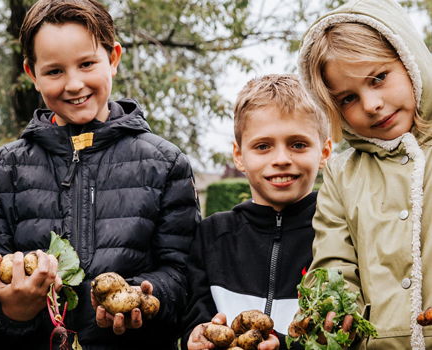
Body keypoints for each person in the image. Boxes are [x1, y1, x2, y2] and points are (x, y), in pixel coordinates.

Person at [0, 0, 200, 348]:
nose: (74, 85)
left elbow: (183, 276)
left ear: (114, 59)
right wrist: (15, 309)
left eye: (87, 64)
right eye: (55, 71)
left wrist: (147, 298)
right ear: (33, 74)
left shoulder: (165, 164)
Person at [297, 0, 432, 348]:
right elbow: (333, 261)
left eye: (379, 78)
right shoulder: (342, 175)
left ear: (409, 59)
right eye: (347, 99)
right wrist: (331, 306)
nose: (371, 104)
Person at [183, 74, 332, 350]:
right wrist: (196, 336)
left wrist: (284, 346)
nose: (281, 159)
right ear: (239, 155)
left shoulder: (335, 234)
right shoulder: (212, 235)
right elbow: (192, 315)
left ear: (324, 152)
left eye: (298, 144)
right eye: (263, 146)